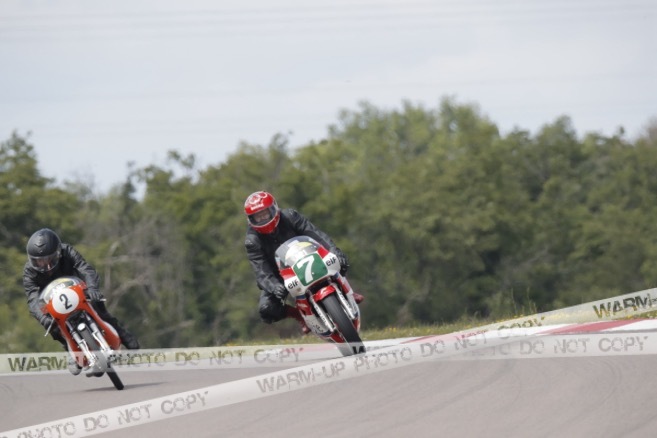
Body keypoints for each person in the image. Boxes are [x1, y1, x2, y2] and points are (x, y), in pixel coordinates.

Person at [23, 228, 140, 375]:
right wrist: (42, 318)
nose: (45, 265)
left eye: (49, 259)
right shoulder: (29, 271)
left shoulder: (68, 251)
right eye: (39, 261)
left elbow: (85, 268)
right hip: (52, 301)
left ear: (58, 253)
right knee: (53, 326)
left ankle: (121, 332)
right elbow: (32, 298)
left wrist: (92, 288)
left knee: (98, 305)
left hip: (77, 290)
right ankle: (69, 349)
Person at [243, 191, 363, 334]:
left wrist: (333, 250)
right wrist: (275, 287)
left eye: (265, 213)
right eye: (258, 216)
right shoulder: (252, 241)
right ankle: (299, 315)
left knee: (339, 260)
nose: (263, 218)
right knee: (266, 309)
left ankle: (348, 292)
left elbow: (315, 234)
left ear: (273, 209)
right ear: (251, 219)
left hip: (307, 255)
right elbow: (260, 270)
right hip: (280, 274)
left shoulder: (290, 216)